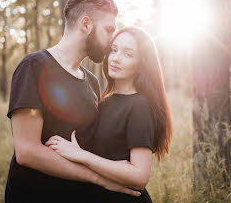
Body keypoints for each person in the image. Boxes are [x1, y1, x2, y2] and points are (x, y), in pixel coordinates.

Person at [5, 0, 141, 203]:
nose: (111, 40)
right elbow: (27, 151)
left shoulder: (92, 82)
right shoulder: (34, 67)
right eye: (108, 30)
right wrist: (98, 179)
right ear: (86, 24)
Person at [46, 26, 173, 203]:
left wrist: (82, 155)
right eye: (113, 50)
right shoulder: (104, 102)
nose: (116, 58)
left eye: (128, 54)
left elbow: (140, 176)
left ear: (141, 64)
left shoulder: (140, 106)